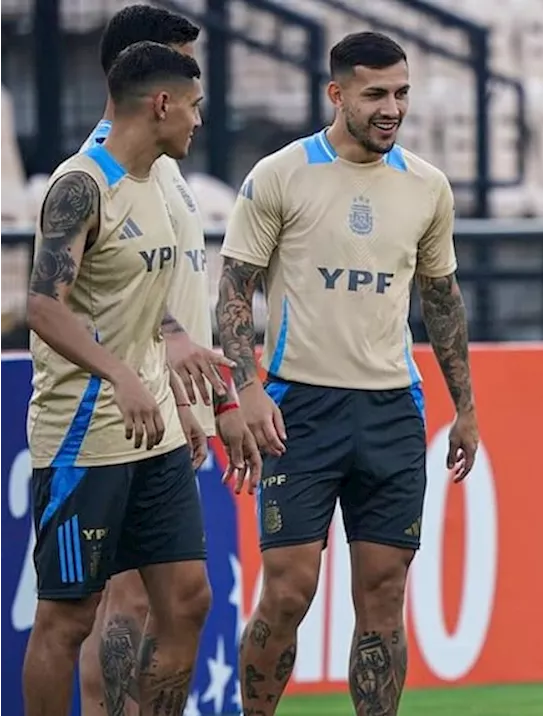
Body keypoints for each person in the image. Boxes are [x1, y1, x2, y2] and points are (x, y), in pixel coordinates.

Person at [215, 31, 479, 716]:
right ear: (337, 95)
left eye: (401, 93)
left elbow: (442, 300)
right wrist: (246, 389)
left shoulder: (427, 186)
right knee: (290, 589)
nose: (392, 108)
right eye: (375, 95)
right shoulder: (279, 174)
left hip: (392, 409)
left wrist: (466, 408)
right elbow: (234, 290)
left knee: (385, 595)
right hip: (299, 406)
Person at [22, 41, 218, 716]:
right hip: (86, 435)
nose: (199, 121)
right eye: (193, 107)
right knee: (69, 619)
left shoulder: (157, 185)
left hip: (155, 431)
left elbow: (135, 287)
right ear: (160, 104)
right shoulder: (81, 185)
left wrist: (178, 346)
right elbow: (45, 304)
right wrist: (119, 375)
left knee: (188, 600)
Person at [74, 9, 260, 716]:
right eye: (181, 75)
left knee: (172, 600)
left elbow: (175, 287)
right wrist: (178, 383)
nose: (193, 98)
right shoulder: (109, 171)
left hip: (172, 400)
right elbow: (111, 292)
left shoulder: (164, 171)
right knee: (121, 599)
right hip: (130, 405)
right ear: (146, 81)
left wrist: (216, 399)